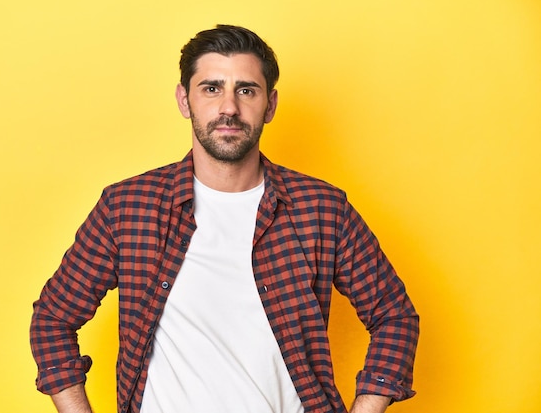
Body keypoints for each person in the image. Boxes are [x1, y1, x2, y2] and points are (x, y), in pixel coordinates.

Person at [30, 24, 419, 413]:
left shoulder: (321, 209)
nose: (229, 108)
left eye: (246, 90)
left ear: (270, 104)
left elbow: (394, 315)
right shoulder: (128, 208)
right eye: (211, 88)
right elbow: (52, 318)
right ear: (185, 100)